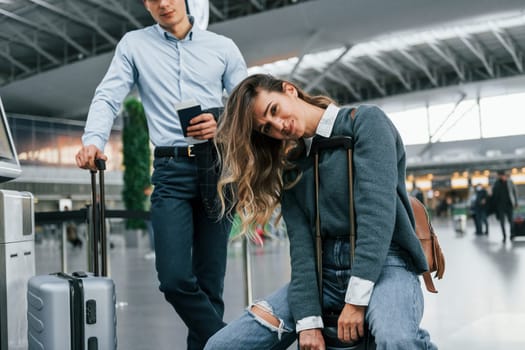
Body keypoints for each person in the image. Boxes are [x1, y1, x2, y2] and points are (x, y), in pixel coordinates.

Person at [205, 74, 436, 350]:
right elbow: (302, 249)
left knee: (395, 339)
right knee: (222, 346)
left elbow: (377, 218)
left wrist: (355, 302)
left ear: (289, 90)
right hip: (322, 272)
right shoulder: (292, 165)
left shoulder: (366, 122)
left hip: (386, 261)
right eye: (267, 129)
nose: (279, 126)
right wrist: (308, 321)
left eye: (274, 110)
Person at [75, 0, 247, 348]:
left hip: (218, 167)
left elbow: (248, 103)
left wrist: (221, 121)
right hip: (170, 169)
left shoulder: (222, 47)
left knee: (210, 284)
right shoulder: (134, 45)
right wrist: (93, 140)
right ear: (145, 4)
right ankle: (235, 343)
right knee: (173, 278)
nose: (163, 3)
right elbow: (108, 96)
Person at [491, 170, 518, 242]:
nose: (501, 177)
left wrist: (516, 203)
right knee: (502, 222)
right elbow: (494, 195)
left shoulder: (510, 182)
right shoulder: (496, 184)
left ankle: (512, 234)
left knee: (511, 221)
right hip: (500, 206)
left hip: (509, 205)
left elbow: (514, 192)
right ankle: (504, 236)